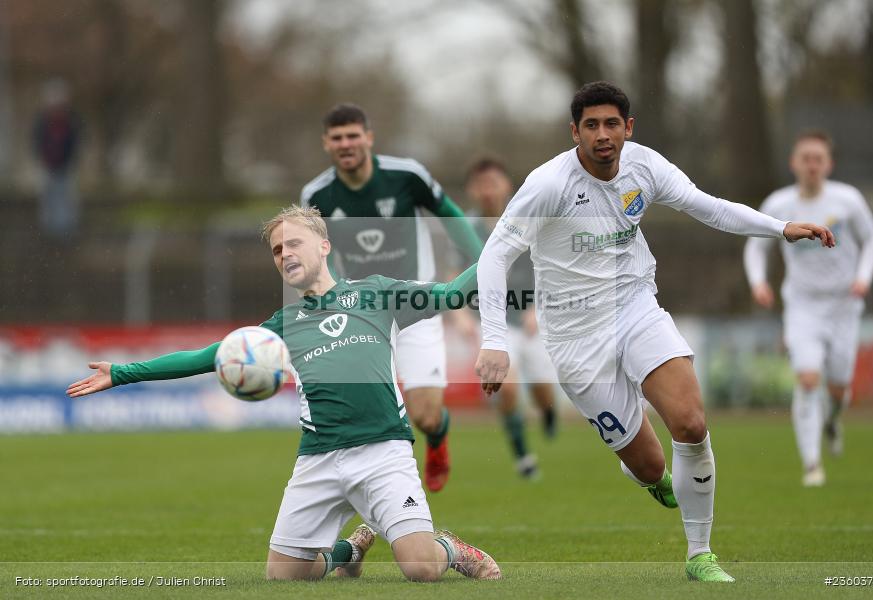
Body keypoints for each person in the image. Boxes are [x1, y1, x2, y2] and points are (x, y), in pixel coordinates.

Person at [474, 81, 834, 583]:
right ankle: (648, 473)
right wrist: (494, 340)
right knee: (648, 465)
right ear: (575, 132)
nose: (603, 135)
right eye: (591, 125)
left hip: (635, 306)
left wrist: (780, 228)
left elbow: (707, 206)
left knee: (690, 422)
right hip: (575, 336)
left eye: (612, 124)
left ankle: (700, 554)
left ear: (628, 127)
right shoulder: (548, 184)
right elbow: (494, 256)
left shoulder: (645, 166)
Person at [66, 206, 500, 583]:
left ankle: (450, 548)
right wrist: (121, 373)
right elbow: (208, 356)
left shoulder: (379, 294)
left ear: (324, 246)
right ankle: (348, 552)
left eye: (294, 243)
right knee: (283, 575)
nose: (285, 254)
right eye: (277, 250)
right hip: (319, 458)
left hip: (382, 450)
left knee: (420, 568)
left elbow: (452, 294)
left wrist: (500, 250)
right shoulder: (280, 325)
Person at [300, 104, 484, 492]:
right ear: (326, 144)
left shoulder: (406, 175)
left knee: (426, 416)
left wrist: (486, 263)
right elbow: (316, 256)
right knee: (361, 411)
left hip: (416, 305)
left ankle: (437, 437)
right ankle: (371, 489)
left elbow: (451, 216)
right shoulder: (316, 195)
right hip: (361, 312)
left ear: (369, 138)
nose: (346, 144)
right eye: (337, 138)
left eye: (353, 135)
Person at [744, 130, 873, 487]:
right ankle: (812, 464)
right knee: (807, 379)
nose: (812, 165)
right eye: (805, 158)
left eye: (818, 159)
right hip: (802, 305)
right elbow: (755, 246)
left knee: (838, 388)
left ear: (829, 164)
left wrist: (863, 278)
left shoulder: (848, 200)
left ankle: (832, 419)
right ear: (794, 163)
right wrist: (758, 282)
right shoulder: (778, 204)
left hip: (844, 304)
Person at [462, 157, 558, 479]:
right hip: (490, 321)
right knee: (507, 388)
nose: (488, 190)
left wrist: (536, 308)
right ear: (472, 190)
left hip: (529, 318)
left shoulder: (527, 219)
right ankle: (523, 457)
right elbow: (452, 273)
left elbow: (548, 267)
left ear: (507, 185)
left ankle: (548, 412)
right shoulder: (465, 228)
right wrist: (460, 316)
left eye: (493, 182)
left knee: (543, 391)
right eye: (481, 184)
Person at [32, 79, 81, 239]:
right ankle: (49, 232)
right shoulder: (42, 122)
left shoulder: (71, 121)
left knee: (66, 198)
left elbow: (75, 142)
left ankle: (65, 232)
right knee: (49, 197)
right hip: (49, 166)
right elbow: (37, 142)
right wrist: (43, 158)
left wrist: (68, 159)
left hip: (65, 166)